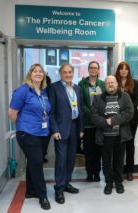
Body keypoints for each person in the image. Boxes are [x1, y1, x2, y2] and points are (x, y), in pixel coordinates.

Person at [8, 64, 51, 210]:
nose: (38, 73)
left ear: (44, 75)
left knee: (33, 162)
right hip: (27, 133)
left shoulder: (43, 91)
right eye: (35, 71)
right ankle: (42, 195)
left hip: (43, 133)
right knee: (37, 162)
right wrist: (21, 126)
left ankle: (30, 191)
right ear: (30, 74)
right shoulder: (23, 90)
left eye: (41, 71)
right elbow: (12, 112)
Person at [91, 75, 134, 195]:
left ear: (117, 84)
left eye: (112, 82)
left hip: (121, 135)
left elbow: (130, 113)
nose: (110, 84)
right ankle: (109, 183)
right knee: (106, 162)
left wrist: (113, 120)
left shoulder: (125, 96)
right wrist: (106, 122)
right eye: (108, 83)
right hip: (104, 136)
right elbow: (93, 115)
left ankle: (119, 182)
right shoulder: (98, 98)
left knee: (119, 161)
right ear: (105, 85)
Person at [49, 64, 84, 204]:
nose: (68, 74)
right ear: (60, 73)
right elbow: (51, 112)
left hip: (75, 127)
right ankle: (58, 189)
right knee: (61, 160)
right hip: (61, 129)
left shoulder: (77, 88)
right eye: (65, 72)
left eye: (70, 72)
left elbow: (80, 109)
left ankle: (66, 183)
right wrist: (55, 130)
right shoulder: (54, 87)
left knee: (71, 159)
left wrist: (81, 129)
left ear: (73, 73)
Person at [78, 61, 105, 182]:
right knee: (88, 150)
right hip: (88, 122)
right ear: (88, 70)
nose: (93, 70)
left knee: (98, 150)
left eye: (95, 68)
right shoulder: (82, 83)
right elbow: (81, 102)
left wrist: (97, 116)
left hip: (99, 123)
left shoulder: (102, 84)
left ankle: (97, 173)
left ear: (98, 70)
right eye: (91, 68)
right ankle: (89, 173)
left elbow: (104, 101)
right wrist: (91, 113)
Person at [114, 61, 138, 181]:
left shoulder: (134, 83)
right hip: (118, 119)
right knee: (119, 145)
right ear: (118, 70)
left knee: (130, 145)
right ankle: (118, 170)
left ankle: (130, 170)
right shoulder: (115, 82)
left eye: (126, 69)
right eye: (121, 69)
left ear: (128, 71)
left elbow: (137, 99)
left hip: (132, 119)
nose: (123, 71)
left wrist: (128, 112)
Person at [42, 74, 51, 163]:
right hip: (37, 123)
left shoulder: (49, 91)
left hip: (47, 123)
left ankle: (43, 154)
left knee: (46, 141)